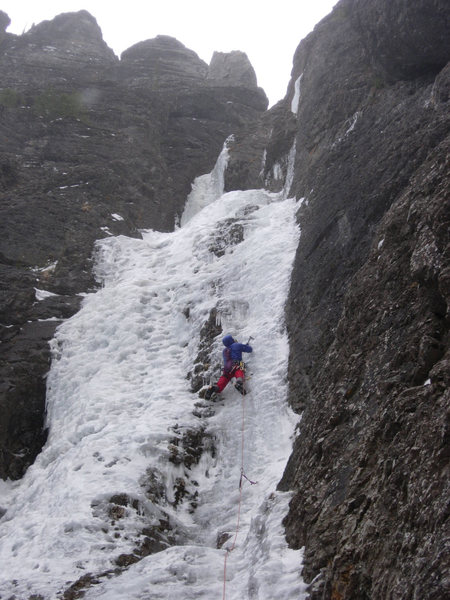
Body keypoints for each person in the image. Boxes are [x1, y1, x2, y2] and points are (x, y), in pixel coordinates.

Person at [205, 334, 253, 399]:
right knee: (240, 370)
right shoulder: (236, 345)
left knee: (224, 380)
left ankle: (214, 388)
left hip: (226, 369)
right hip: (236, 365)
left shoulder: (224, 351)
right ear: (231, 340)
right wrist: (246, 346)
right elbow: (249, 349)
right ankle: (239, 382)